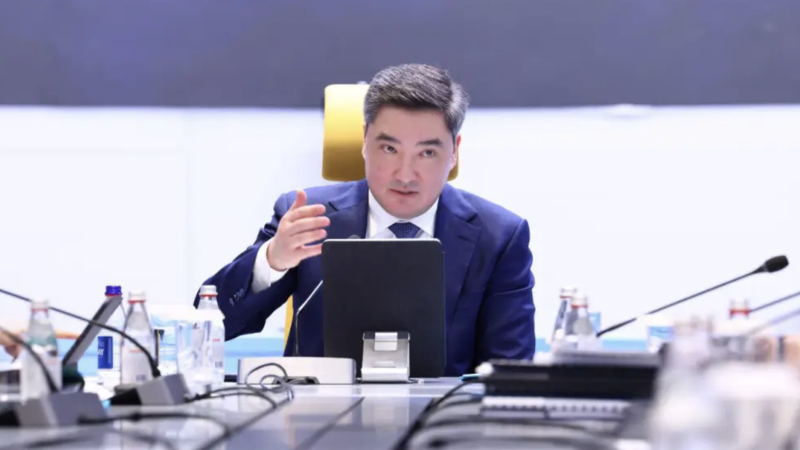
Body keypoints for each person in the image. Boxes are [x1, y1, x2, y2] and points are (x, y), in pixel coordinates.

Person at [196, 63, 535, 375]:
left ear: (455, 151)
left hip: (440, 419)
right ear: (364, 141)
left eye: (427, 152)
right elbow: (209, 323)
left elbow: (510, 372)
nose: (405, 174)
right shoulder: (307, 217)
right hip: (317, 414)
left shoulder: (499, 237)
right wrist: (272, 260)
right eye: (389, 149)